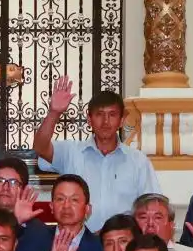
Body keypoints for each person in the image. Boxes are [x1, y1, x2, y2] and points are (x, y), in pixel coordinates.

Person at [33, 77, 160, 229]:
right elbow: (40, 147)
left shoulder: (138, 161)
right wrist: (54, 112)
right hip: (77, 246)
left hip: (123, 246)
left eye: (112, 115)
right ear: (89, 119)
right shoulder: (71, 152)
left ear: (121, 120)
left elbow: (152, 207)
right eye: (99, 114)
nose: (106, 121)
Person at [12, 173, 107, 251]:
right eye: (60, 199)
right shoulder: (33, 239)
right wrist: (16, 222)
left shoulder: (101, 248)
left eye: (74, 200)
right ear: (51, 207)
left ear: (87, 209)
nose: (66, 205)